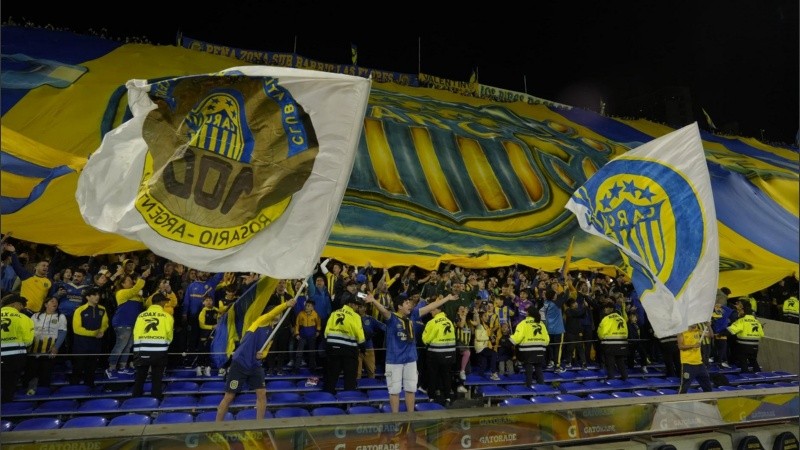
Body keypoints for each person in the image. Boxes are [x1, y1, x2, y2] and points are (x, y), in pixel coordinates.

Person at [365, 291, 455, 413]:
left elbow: (430, 307)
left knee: (411, 389)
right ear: (399, 306)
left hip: (411, 360)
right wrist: (374, 301)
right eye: (407, 303)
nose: (410, 305)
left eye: (410, 303)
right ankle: (395, 418)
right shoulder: (392, 318)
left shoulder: (413, 315)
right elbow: (384, 311)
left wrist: (447, 298)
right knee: (394, 390)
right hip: (394, 360)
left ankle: (410, 416)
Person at [216, 298, 296, 421]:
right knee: (229, 396)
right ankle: (217, 426)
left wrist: (261, 355)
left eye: (280, 315)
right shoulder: (259, 322)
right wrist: (286, 304)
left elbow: (265, 351)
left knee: (262, 394)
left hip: (255, 365)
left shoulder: (272, 332)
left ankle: (259, 425)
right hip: (240, 363)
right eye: (277, 313)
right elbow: (271, 313)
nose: (278, 316)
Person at [131, 292, 174, 400]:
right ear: (161, 302)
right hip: (159, 350)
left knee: (140, 377)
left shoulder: (141, 315)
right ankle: (156, 402)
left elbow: (136, 332)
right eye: (165, 301)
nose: (166, 303)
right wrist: (165, 345)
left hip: (142, 350)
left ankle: (135, 403)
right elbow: (169, 334)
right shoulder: (167, 316)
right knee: (157, 378)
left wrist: (137, 348)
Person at [322, 294, 366, 395]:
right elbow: (359, 334)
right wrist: (363, 347)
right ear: (350, 304)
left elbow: (326, 331)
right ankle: (348, 401)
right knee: (350, 377)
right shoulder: (355, 316)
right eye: (356, 305)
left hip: (332, 348)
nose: (357, 307)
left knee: (331, 376)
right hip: (349, 350)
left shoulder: (334, 313)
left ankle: (327, 400)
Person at [23, 297, 67, 395]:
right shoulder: (35, 315)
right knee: (30, 373)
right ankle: (28, 394)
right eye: (52, 301)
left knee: (45, 373)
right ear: (46, 304)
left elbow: (62, 333)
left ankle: (43, 395)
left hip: (49, 350)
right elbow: (28, 330)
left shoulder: (61, 317)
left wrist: (56, 347)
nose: (55, 303)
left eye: (56, 301)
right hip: (33, 350)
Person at [71, 287, 109, 387]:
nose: (97, 297)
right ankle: (73, 390)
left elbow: (105, 323)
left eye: (98, 295)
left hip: (95, 344)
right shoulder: (80, 310)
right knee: (78, 368)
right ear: (87, 297)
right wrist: (94, 333)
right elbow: (77, 329)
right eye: (94, 295)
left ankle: (89, 390)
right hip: (81, 344)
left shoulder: (102, 309)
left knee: (91, 368)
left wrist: (102, 331)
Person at [421, 299, 456, 405]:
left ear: (438, 309)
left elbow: (425, 339)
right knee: (446, 375)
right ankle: (448, 398)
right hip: (450, 354)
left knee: (432, 375)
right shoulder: (449, 321)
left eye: (432, 309)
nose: (430, 311)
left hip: (435, 354)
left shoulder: (432, 323)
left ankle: (431, 397)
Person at [1, 293, 34, 402]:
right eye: (21, 305)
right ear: (15, 305)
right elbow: (28, 341)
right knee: (9, 386)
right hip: (14, 357)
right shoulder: (23, 318)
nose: (22, 308)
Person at [510, 304, 549, 387]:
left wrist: (509, 340)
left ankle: (529, 388)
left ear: (528, 313)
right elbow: (547, 340)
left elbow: (517, 338)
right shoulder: (541, 323)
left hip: (527, 351)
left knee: (529, 370)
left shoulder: (523, 323)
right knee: (539, 369)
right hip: (540, 350)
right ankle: (541, 389)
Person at [726, 302, 765, 373]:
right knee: (753, 361)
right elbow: (762, 334)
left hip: (743, 346)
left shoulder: (742, 320)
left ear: (744, 311)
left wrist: (720, 333)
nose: (740, 311)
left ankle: (746, 376)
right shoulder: (757, 322)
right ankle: (759, 376)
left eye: (741, 310)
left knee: (743, 362)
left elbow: (732, 330)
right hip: (755, 346)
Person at [676, 323, 713, 393]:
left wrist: (709, 326)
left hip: (699, 363)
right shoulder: (681, 333)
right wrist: (693, 346)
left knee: (707, 385)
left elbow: (711, 336)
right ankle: (681, 402)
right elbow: (680, 347)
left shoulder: (697, 331)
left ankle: (709, 401)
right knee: (684, 386)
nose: (696, 323)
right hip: (688, 364)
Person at [597, 302, 628, 381]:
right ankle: (625, 377)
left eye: (606, 308)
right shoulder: (621, 318)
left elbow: (602, 332)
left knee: (610, 362)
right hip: (622, 343)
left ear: (611, 309)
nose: (605, 309)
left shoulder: (606, 319)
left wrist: (601, 337)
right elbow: (626, 331)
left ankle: (611, 378)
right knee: (620, 361)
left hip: (610, 344)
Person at [294, 298, 321, 373]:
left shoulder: (315, 314)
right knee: (299, 351)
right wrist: (296, 333)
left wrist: (318, 331)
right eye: (306, 305)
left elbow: (318, 323)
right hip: (302, 335)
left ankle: (312, 367)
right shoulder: (300, 314)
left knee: (312, 351)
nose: (306, 307)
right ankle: (296, 367)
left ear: (313, 307)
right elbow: (297, 324)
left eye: (309, 306)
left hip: (312, 334)